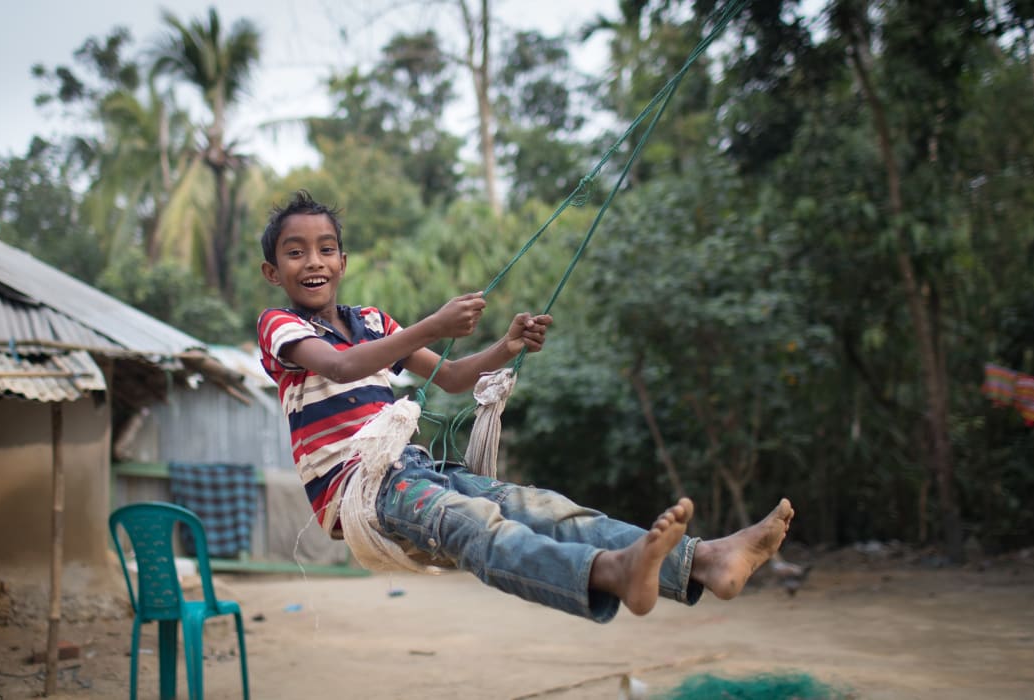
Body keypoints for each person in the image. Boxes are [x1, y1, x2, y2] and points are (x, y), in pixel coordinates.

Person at [257, 190, 795, 623]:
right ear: (273, 272)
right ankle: (610, 572)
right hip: (358, 493)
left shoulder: (372, 322)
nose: (314, 262)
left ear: (343, 261)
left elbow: (450, 376)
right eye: (295, 251)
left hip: (413, 470)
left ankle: (705, 561)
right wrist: (434, 325)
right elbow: (341, 368)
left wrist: (506, 346)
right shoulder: (280, 326)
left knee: (539, 508)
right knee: (476, 524)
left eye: (326, 248)